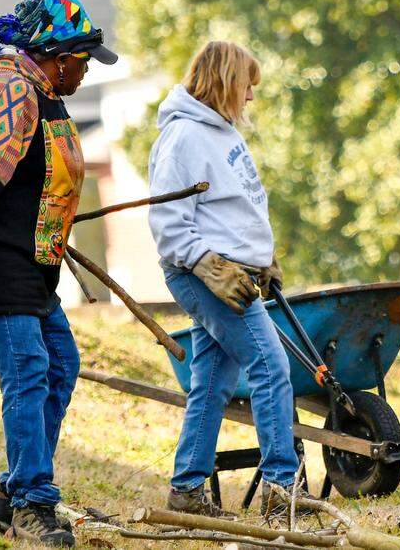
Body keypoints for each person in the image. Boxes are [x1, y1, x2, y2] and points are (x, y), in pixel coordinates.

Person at [0, 0, 118, 547]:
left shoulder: (45, 95)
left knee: (60, 365)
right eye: (82, 60)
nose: (86, 71)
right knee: (30, 374)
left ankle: (12, 491)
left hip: (35, 270)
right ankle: (35, 506)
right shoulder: (9, 90)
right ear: (56, 59)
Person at [147, 41, 303, 524]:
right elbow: (168, 224)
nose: (251, 97)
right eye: (247, 86)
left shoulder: (222, 133)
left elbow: (240, 204)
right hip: (207, 276)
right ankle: (282, 486)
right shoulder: (184, 139)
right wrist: (212, 267)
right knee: (272, 368)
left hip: (237, 275)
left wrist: (263, 256)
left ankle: (188, 487)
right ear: (224, 82)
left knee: (212, 382)